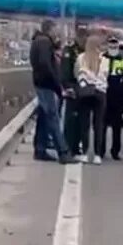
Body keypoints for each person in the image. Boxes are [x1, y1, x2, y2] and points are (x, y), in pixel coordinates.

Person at [29, 19, 74, 164]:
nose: (57, 32)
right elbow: (46, 65)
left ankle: (40, 149)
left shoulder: (39, 41)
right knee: (53, 118)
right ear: (50, 29)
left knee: (43, 117)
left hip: (41, 83)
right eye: (55, 29)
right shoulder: (44, 42)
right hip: (46, 85)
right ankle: (63, 152)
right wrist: (56, 85)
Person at [75, 34, 109, 165]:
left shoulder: (81, 58)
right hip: (100, 93)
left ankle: (84, 153)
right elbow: (104, 76)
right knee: (98, 125)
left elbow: (78, 75)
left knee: (84, 124)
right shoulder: (105, 61)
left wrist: (88, 78)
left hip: (85, 93)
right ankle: (97, 155)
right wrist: (96, 82)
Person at [60, 25, 89, 162]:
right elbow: (65, 70)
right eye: (82, 37)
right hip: (72, 89)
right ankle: (68, 148)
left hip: (84, 91)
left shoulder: (87, 52)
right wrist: (67, 87)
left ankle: (76, 147)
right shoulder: (70, 50)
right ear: (78, 37)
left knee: (80, 122)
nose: (84, 40)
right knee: (70, 121)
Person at [102, 37, 123, 160]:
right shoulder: (102, 59)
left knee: (117, 126)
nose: (113, 49)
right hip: (104, 96)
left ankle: (115, 151)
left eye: (115, 47)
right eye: (111, 46)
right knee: (102, 125)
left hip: (118, 98)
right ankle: (101, 150)